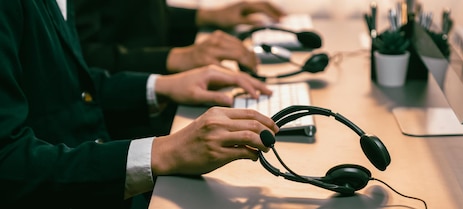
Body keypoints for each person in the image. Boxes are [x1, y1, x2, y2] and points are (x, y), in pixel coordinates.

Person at [0, 0, 279, 208]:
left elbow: (68, 79)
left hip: (95, 174)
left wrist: (160, 84)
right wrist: (160, 153)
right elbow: (7, 163)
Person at [73, 0, 286, 74]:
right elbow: (78, 59)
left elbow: (134, 15)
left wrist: (205, 16)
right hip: (117, 116)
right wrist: (176, 57)